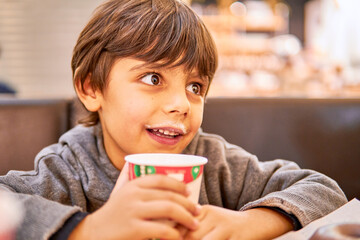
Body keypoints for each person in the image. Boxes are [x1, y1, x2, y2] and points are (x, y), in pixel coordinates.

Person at [0, 0, 347, 239]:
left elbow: (323, 189)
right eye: (153, 79)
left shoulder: (215, 162)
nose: (181, 103)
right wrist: (86, 230)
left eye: (195, 86)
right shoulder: (68, 170)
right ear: (92, 88)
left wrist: (251, 223)